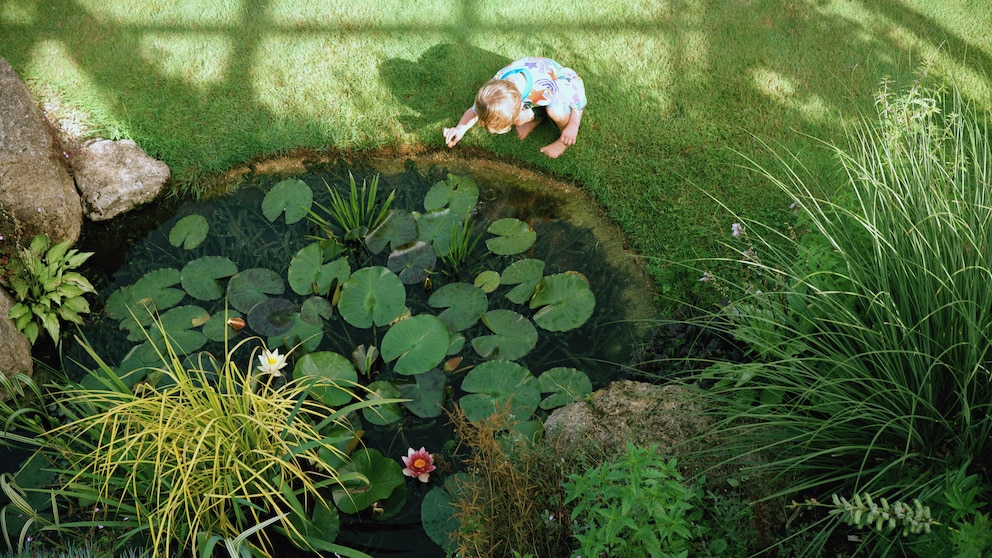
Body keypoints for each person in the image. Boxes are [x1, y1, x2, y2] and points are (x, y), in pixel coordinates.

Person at [443, 57, 586, 158]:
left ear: (521, 106)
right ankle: (537, 118)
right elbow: (475, 110)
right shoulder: (493, 92)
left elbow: (577, 93)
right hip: (532, 96)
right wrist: (460, 128)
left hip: (561, 83)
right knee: (519, 119)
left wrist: (574, 124)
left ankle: (563, 141)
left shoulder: (545, 88)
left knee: (555, 112)